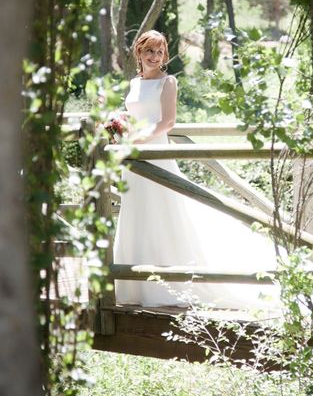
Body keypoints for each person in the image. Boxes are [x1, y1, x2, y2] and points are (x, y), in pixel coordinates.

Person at [113, 30, 281, 312]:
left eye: (159, 52)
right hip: (132, 158)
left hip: (155, 154)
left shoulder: (168, 82)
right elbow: (132, 115)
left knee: (163, 211)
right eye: (149, 52)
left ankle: (168, 281)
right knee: (138, 212)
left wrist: (137, 139)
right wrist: (118, 127)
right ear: (138, 53)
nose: (154, 57)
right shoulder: (133, 83)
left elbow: (167, 123)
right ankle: (133, 284)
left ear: (164, 55)